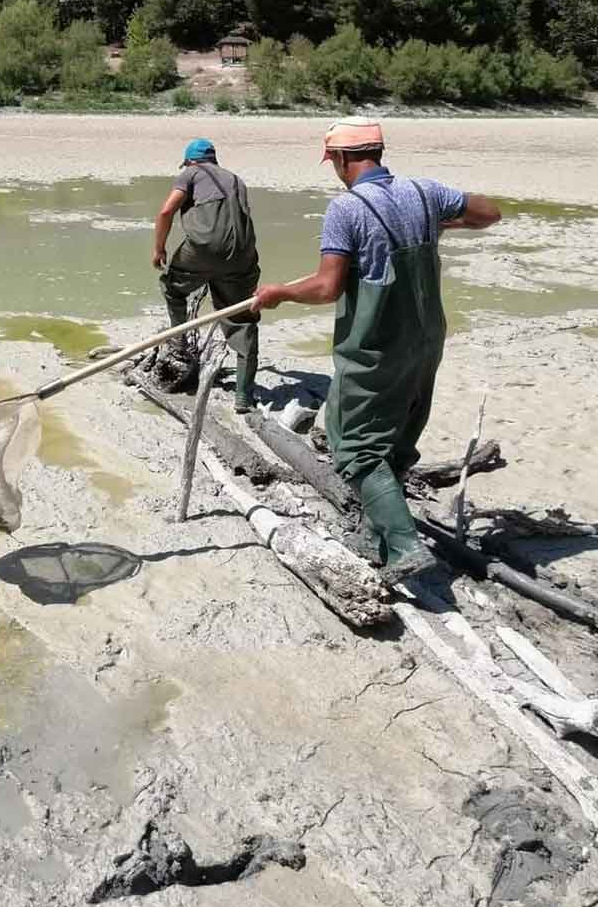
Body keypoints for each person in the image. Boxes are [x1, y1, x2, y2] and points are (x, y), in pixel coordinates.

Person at [252, 117, 501, 587]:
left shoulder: (346, 209)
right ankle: (374, 535)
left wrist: (280, 293)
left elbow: (327, 287)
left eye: (334, 163)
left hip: (377, 346)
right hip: (427, 340)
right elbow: (489, 213)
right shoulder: (424, 193)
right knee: (398, 437)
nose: (334, 171)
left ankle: (405, 546)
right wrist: (439, 222)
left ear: (344, 159)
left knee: (353, 443)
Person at [153, 138, 261, 413]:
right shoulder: (236, 179)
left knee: (173, 288)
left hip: (202, 251)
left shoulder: (190, 173)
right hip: (243, 256)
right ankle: (243, 396)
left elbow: (166, 210)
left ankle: (179, 342)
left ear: (190, 160)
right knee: (242, 320)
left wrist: (159, 249)